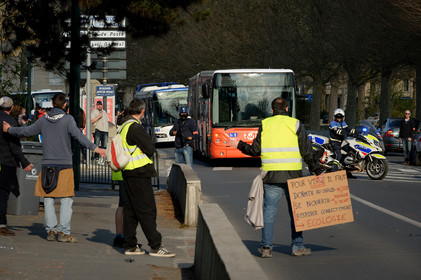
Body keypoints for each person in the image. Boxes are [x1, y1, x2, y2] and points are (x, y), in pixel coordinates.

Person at [3, 93, 106, 242]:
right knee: (66, 199)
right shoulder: (68, 120)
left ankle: (51, 230)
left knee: (48, 198)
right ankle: (63, 232)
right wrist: (96, 148)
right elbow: (79, 136)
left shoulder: (43, 120)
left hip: (47, 164)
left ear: (52, 103)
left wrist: (9, 130)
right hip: (64, 164)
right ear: (65, 105)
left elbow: (26, 131)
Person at [228, 97, 323, 258]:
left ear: (272, 110)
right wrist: (317, 171)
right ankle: (297, 246)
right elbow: (306, 151)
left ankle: (266, 247)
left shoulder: (265, 125)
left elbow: (254, 150)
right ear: (286, 109)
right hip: (293, 175)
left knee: (269, 212)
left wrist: (239, 144)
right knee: (296, 213)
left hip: (271, 176)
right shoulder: (296, 124)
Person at [120, 99, 175, 257]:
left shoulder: (123, 126)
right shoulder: (135, 127)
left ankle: (130, 245)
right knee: (147, 210)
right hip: (139, 173)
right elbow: (150, 148)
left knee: (130, 210)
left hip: (128, 172)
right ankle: (156, 246)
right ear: (142, 111)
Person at [0, 97, 33, 236]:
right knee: (2, 193)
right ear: (12, 108)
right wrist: (24, 162)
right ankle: (1, 224)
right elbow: (15, 147)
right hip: (5, 162)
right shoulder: (10, 123)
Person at [329, 108, 354, 178]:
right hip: (335, 141)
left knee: (349, 154)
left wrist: (354, 131)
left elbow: (347, 128)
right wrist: (347, 133)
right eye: (337, 117)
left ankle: (348, 173)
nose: (339, 118)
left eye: (340, 117)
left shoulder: (343, 123)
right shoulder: (332, 123)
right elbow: (337, 132)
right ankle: (333, 170)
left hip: (342, 142)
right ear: (335, 117)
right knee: (339, 155)